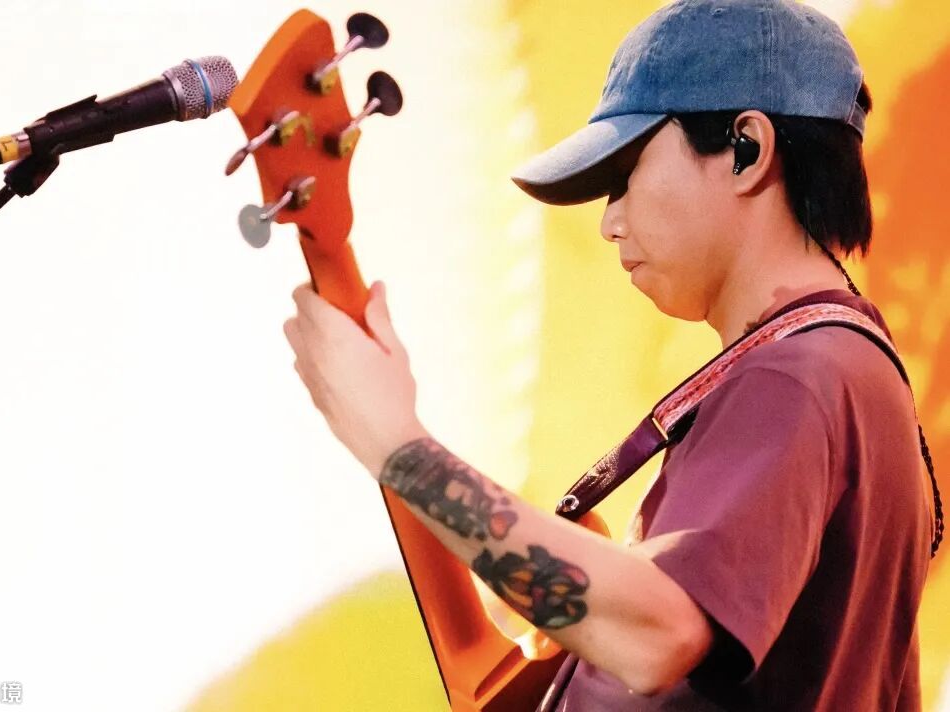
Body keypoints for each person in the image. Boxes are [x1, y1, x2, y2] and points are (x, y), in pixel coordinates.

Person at [283, 0, 939, 708]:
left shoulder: (796, 376)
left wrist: (395, 444)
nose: (608, 222)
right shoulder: (849, 375)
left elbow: (658, 637)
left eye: (624, 175)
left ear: (745, 149)